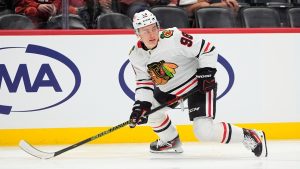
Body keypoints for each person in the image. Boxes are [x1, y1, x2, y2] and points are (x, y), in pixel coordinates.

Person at [127, 10, 268, 157]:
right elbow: (143, 82)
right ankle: (171, 141)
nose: (151, 34)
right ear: (137, 33)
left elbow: (207, 49)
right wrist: (141, 106)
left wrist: (206, 74)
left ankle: (250, 135)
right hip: (169, 89)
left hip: (197, 84)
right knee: (150, 114)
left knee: (204, 132)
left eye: (154, 28)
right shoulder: (135, 54)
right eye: (145, 31)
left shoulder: (172, 37)